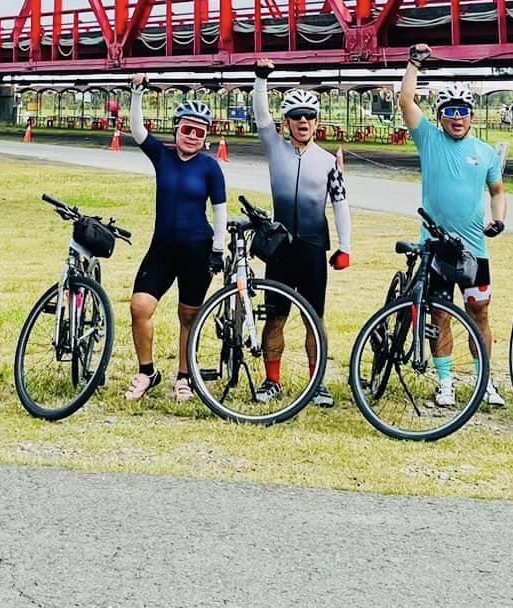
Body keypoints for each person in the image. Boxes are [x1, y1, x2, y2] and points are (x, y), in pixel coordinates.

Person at [397, 46, 509, 409]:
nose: (456, 118)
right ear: (441, 116)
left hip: (475, 250)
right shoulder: (429, 139)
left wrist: (499, 217)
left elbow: (497, 191)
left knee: (479, 314)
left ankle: (484, 381)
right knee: (440, 315)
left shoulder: (486, 152)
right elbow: (405, 100)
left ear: (472, 116)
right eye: (450, 112)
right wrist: (414, 64)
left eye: (463, 111)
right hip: (436, 248)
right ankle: (444, 382)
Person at [250, 60, 352, 408]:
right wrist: (261, 79)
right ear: (287, 122)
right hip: (279, 248)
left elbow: (340, 204)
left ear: (317, 121)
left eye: (309, 115)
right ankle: (272, 380)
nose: (303, 121)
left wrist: (345, 246)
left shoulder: (327, 161)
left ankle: (316, 382)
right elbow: (261, 116)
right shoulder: (275, 147)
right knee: (276, 317)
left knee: (313, 318)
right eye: (296, 116)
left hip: (312, 248)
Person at [123, 76, 228, 403]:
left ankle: (184, 376)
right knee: (140, 307)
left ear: (206, 137)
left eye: (199, 132)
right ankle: (146, 371)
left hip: (198, 250)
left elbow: (220, 210)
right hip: (162, 248)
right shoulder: (162, 156)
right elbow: (138, 131)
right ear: (176, 129)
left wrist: (218, 249)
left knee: (188, 316)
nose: (192, 137)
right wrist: (137, 92)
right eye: (186, 130)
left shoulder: (210, 169)